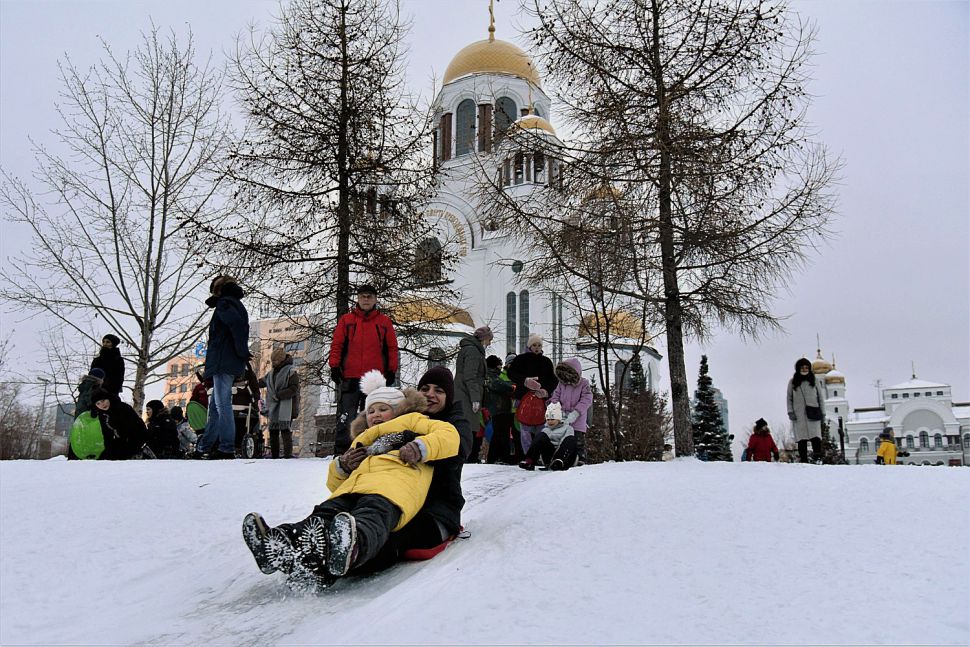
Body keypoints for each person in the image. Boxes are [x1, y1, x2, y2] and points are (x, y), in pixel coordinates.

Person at [241, 370, 460, 582]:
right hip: (353, 490)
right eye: (370, 411)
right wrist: (342, 467)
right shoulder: (362, 439)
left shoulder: (414, 421)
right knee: (323, 515)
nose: (375, 415)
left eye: (383, 409)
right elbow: (334, 484)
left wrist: (420, 447)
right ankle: (281, 545)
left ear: (399, 409)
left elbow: (449, 435)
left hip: (391, 492)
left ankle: (354, 547)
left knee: (370, 519)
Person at [328, 284, 399, 456]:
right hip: (350, 376)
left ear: (375, 299)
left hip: (374, 379)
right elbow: (337, 344)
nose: (366, 300)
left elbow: (392, 348)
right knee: (347, 416)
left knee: (374, 415)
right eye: (362, 297)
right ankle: (342, 453)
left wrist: (391, 370)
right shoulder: (347, 321)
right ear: (358, 299)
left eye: (369, 296)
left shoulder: (384, 322)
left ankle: (373, 450)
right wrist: (334, 366)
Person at [197, 276, 250, 460]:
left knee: (222, 405)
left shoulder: (225, 304)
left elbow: (237, 327)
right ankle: (205, 446)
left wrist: (242, 351)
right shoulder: (233, 303)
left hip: (222, 361)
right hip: (226, 360)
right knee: (215, 407)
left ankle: (226, 447)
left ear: (219, 290)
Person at [507, 334, 558, 454]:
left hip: (541, 399)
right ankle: (528, 455)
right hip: (523, 398)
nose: (537, 347)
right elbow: (511, 373)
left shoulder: (546, 361)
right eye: (534, 345)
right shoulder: (520, 359)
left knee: (542, 428)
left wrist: (546, 391)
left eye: (539, 345)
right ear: (529, 346)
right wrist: (525, 381)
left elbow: (553, 380)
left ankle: (539, 454)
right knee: (525, 429)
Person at [455, 326, 491, 463]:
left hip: (464, 392)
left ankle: (467, 456)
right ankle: (469, 457)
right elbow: (471, 377)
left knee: (467, 425)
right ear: (484, 339)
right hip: (467, 394)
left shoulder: (469, 349)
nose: (489, 343)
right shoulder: (473, 352)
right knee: (469, 426)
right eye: (489, 340)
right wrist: (475, 399)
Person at [548, 357, 593, 464]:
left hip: (578, 418)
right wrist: (556, 408)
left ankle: (581, 459)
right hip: (562, 418)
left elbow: (586, 399)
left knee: (578, 440)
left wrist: (576, 412)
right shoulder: (561, 384)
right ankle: (561, 459)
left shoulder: (584, 383)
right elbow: (555, 396)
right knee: (561, 439)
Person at [261, 348, 300, 459]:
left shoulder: (291, 371)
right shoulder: (271, 373)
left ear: (281, 360)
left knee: (285, 430)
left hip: (287, 406)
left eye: (275, 361)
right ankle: (274, 455)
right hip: (274, 406)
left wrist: (279, 395)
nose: (273, 363)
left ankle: (287, 455)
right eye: (272, 360)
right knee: (273, 430)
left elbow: (294, 388)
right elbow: (263, 381)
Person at [89, 388, 149, 460]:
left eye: (103, 400)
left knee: (120, 456)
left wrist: (126, 445)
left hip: (137, 437)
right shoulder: (102, 414)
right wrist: (108, 449)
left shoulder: (122, 408)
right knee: (104, 458)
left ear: (108, 398)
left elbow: (133, 427)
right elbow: (107, 434)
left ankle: (142, 454)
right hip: (121, 439)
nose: (102, 405)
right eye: (98, 403)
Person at [786, 357, 826, 464]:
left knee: (816, 436)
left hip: (813, 412)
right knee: (801, 438)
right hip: (799, 415)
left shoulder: (814, 380)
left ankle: (817, 458)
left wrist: (823, 413)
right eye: (802, 367)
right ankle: (804, 460)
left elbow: (820, 397)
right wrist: (790, 411)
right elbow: (789, 398)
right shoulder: (793, 382)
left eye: (806, 367)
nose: (804, 369)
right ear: (798, 368)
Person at [518, 402, 578, 471]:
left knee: (571, 439)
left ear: (559, 419)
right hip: (549, 457)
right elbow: (539, 444)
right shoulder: (546, 429)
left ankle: (558, 462)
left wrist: (557, 456)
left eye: (552, 419)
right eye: (548, 419)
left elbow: (566, 443)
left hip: (565, 458)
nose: (550, 422)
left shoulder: (568, 428)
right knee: (540, 436)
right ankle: (530, 461)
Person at [483, 354, 516, 463]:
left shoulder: (490, 375)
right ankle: (502, 457)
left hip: (497, 408)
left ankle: (495, 457)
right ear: (495, 365)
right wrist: (512, 387)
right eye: (499, 364)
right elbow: (499, 385)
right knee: (502, 434)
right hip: (499, 407)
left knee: (499, 433)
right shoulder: (491, 376)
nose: (500, 367)